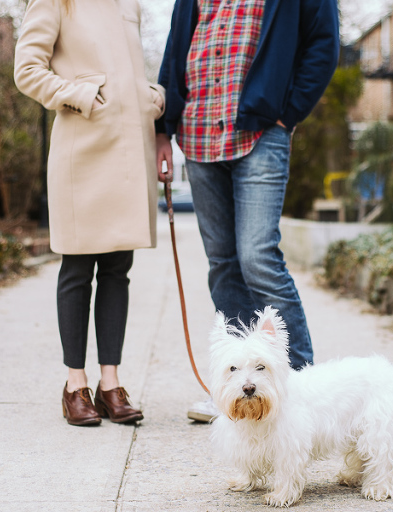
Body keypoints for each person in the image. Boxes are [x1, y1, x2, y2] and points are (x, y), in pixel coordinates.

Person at [155, 0, 339, 422]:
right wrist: (162, 130)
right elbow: (173, 52)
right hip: (198, 134)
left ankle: (301, 386)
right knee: (223, 263)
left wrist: (288, 114)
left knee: (258, 257)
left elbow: (323, 45)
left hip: (260, 132)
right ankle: (235, 392)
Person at [14, 0, 166, 426]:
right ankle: (74, 385)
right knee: (78, 268)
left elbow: (125, 71)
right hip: (81, 150)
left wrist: (149, 95)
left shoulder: (128, 4)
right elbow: (27, 70)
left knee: (118, 268)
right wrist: (79, 93)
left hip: (127, 152)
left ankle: (110, 384)